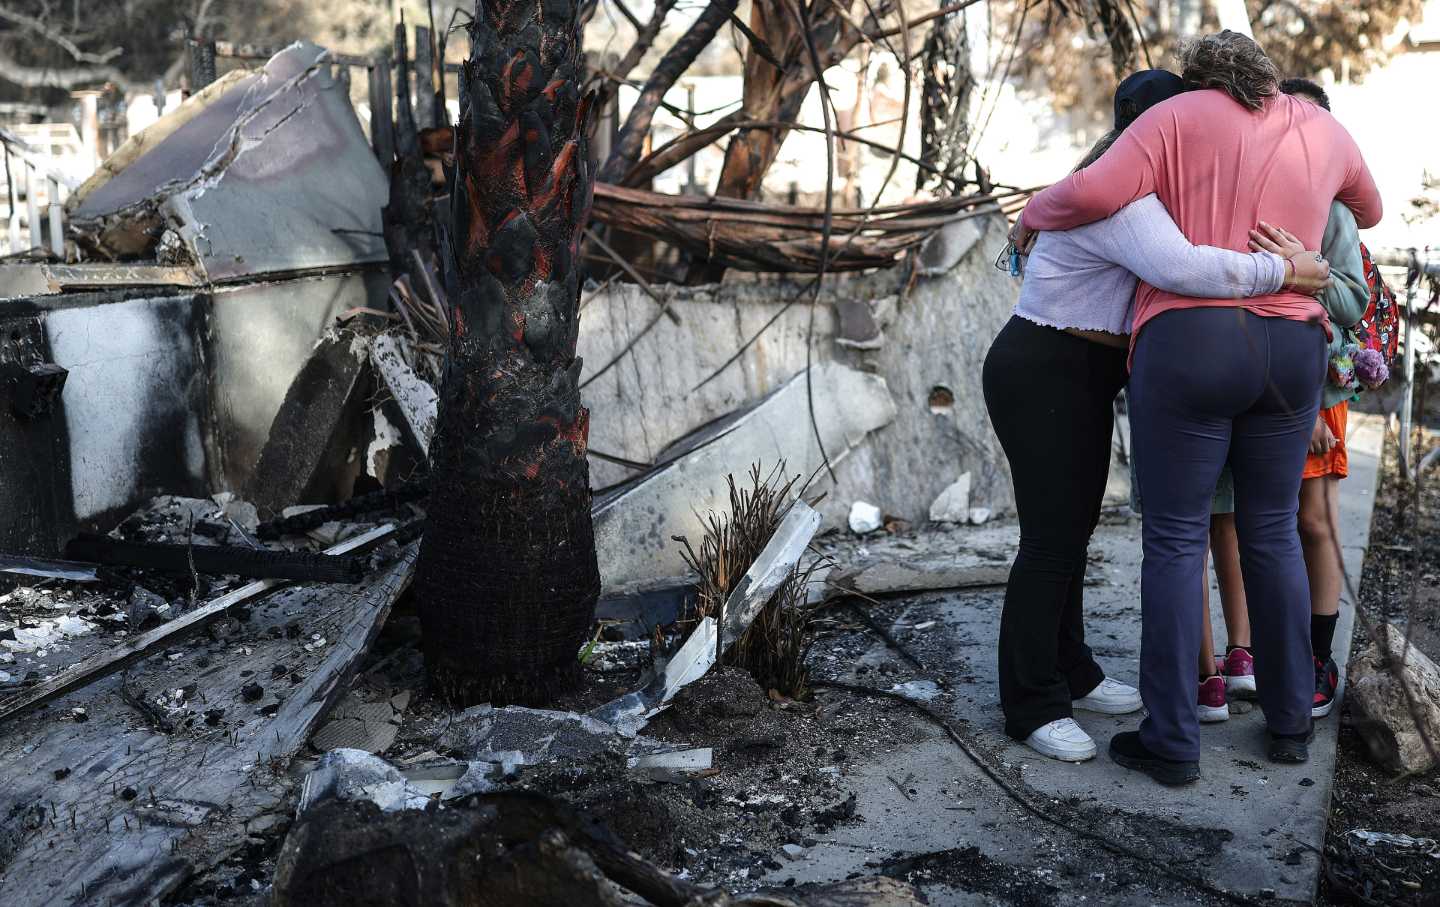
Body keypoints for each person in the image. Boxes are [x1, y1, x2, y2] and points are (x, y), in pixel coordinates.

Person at [1012, 31, 1382, 784]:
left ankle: (1174, 740)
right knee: (1273, 530)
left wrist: (1031, 212)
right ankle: (1288, 721)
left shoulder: (1175, 118)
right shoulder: (1323, 126)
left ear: (1202, 78)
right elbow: (1368, 211)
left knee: (1178, 538)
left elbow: (1088, 192)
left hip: (1191, 341)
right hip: (1292, 349)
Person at [1202, 77, 1372, 721]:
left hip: (1314, 385)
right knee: (1247, 522)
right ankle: (1252, 654)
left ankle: (1314, 659)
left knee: (1310, 521)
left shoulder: (1333, 211)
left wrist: (1308, 266)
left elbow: (1353, 301)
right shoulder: (1245, 192)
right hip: (1253, 378)